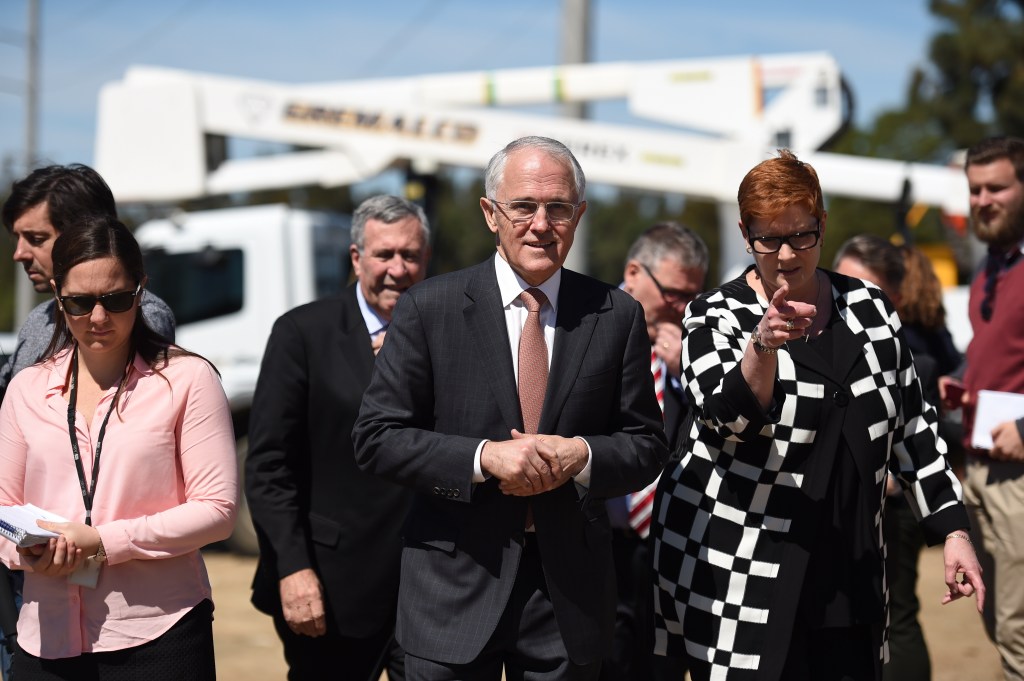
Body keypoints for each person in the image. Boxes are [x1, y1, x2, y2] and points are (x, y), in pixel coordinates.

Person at [651, 149, 983, 681]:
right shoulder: (715, 314)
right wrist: (761, 345)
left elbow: (914, 430)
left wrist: (954, 532)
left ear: (822, 224)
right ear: (745, 233)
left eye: (800, 235)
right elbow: (725, 420)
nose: (785, 254)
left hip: (851, 575)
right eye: (768, 238)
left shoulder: (870, 309)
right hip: (745, 580)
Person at [352, 135, 668, 680]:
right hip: (451, 587)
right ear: (490, 213)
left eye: (558, 208)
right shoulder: (430, 308)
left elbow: (645, 446)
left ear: (580, 214)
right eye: (523, 206)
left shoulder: (616, 315)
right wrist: (483, 459)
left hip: (567, 596)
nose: (541, 224)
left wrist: (582, 455)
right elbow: (377, 437)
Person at [0, 216, 237, 680]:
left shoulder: (187, 380)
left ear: (141, 289)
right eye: (80, 303)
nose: (99, 318)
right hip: (44, 636)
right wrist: (24, 551)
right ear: (56, 294)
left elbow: (218, 509)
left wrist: (106, 543)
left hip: (157, 635)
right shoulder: (26, 388)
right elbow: (3, 507)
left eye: (116, 299)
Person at [0, 163, 176, 681]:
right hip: (31, 559)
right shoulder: (42, 318)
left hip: (91, 578)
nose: (19, 253)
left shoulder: (142, 318)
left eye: (35, 238)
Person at [245, 195, 431, 681]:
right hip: (329, 589)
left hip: (428, 589)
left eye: (409, 256)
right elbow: (269, 468)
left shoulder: (448, 335)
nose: (397, 268)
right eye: (384, 255)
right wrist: (293, 568)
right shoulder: (302, 334)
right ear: (356, 258)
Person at [834, 235, 962, 681]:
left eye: (865, 288)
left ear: (896, 298)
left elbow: (926, 443)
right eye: (840, 283)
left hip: (894, 507)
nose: (849, 298)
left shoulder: (910, 360)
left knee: (896, 614)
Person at [603, 222, 707, 681]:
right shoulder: (584, 326)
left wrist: (688, 374)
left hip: (667, 546)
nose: (682, 307)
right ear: (633, 272)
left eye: (692, 296)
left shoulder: (696, 346)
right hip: (595, 541)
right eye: (673, 293)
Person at [943, 135, 1024, 681]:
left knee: (1019, 631)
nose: (982, 200)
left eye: (997, 187)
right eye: (975, 190)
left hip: (1019, 476)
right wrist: (964, 382)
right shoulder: (990, 268)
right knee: (998, 623)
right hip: (979, 469)